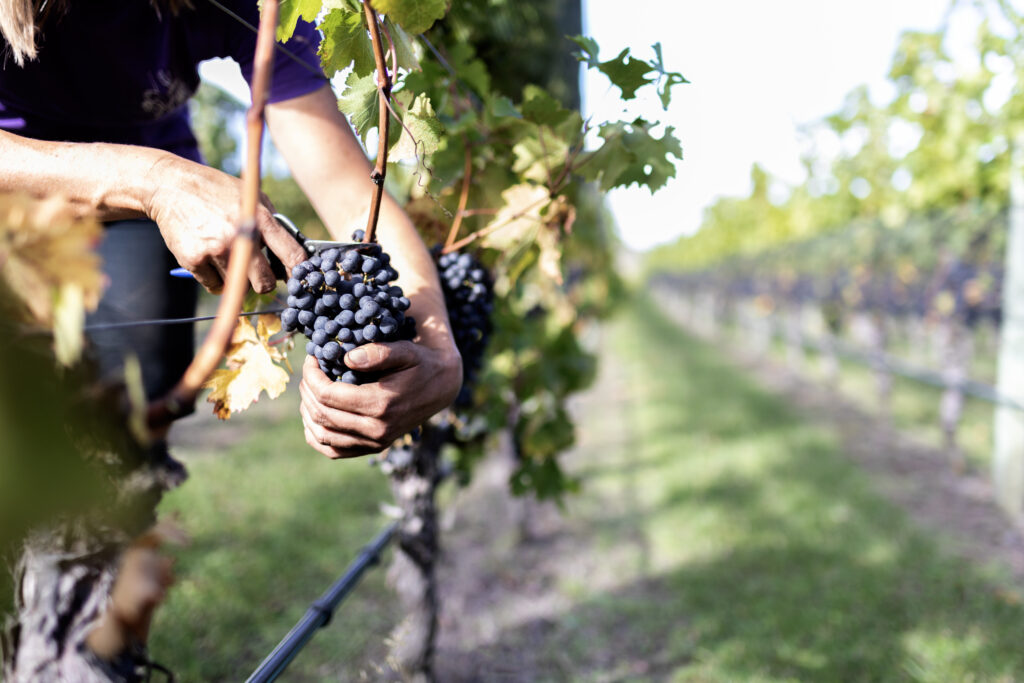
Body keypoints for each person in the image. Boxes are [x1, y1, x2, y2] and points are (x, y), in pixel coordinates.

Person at [0, 0, 463, 459]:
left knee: (131, 403)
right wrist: (154, 181)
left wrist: (437, 344)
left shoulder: (259, 4)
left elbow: (350, 195)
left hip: (140, 209)